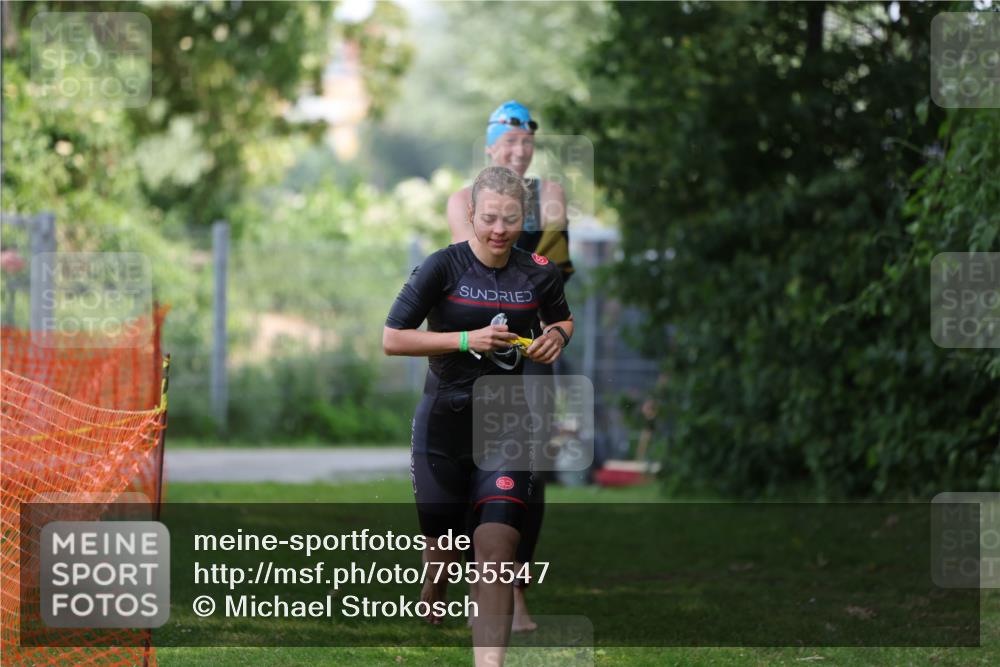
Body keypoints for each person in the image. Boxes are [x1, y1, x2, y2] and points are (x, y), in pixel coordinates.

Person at [384, 165, 573, 666]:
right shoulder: (442, 267)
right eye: (488, 217)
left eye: (510, 220)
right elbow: (392, 337)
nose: (498, 230)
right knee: (443, 544)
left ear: (523, 219)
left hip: (507, 422)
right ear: (471, 214)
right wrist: (465, 340)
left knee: (495, 549)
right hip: (443, 424)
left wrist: (557, 337)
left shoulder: (538, 269)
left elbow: (560, 316)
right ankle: (433, 589)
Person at [447, 100, 574, 632]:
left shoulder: (549, 196)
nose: (519, 152)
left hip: (536, 349)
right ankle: (459, 574)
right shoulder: (462, 199)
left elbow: (557, 274)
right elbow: (468, 268)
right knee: (463, 462)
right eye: (509, 142)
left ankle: (516, 594)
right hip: (477, 347)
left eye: (526, 143)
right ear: (489, 147)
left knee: (530, 471)